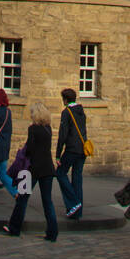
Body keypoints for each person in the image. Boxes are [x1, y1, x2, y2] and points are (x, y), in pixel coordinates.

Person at [4, 101, 58, 240]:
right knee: (47, 202)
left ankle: (14, 228)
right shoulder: (48, 129)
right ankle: (52, 232)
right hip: (47, 169)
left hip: (30, 170)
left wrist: (23, 151)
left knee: (22, 199)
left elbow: (31, 150)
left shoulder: (33, 129)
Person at [55, 87, 87, 219]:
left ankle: (73, 203)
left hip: (71, 149)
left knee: (60, 173)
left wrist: (58, 153)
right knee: (77, 178)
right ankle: (77, 211)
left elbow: (63, 134)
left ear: (66, 99)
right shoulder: (81, 111)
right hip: (82, 149)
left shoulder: (67, 112)